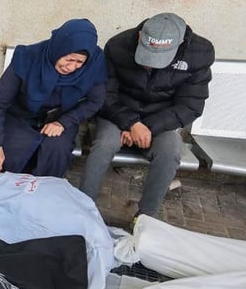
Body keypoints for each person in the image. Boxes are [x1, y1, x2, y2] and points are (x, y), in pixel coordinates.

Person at [79, 12, 214, 219]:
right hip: (117, 114)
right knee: (104, 145)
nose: (148, 64)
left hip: (159, 121)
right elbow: (104, 93)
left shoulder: (199, 54)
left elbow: (190, 105)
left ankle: (145, 218)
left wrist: (147, 127)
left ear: (178, 44)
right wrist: (130, 123)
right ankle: (81, 208)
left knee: (170, 151)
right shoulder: (119, 45)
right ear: (141, 35)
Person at [0, 19, 107, 177]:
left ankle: (38, 196)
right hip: (21, 116)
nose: (72, 67)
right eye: (69, 59)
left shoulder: (94, 64)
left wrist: (63, 122)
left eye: (79, 62)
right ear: (60, 48)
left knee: (56, 152)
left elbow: (95, 101)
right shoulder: (28, 57)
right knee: (2, 157)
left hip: (61, 118)